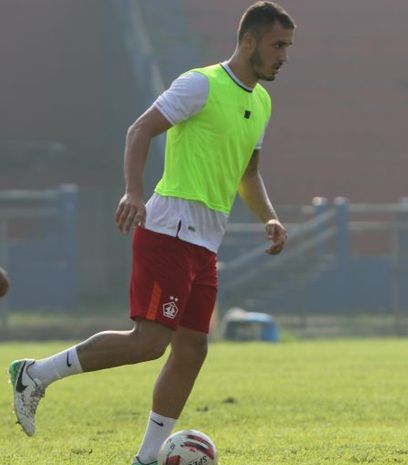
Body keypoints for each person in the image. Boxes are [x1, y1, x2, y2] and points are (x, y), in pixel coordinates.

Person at [8, 2, 295, 464]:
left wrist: (269, 217)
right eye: (278, 45)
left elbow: (249, 172)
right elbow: (140, 130)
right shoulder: (201, 83)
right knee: (148, 342)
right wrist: (133, 193)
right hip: (169, 230)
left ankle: (146, 458)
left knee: (192, 349)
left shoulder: (261, 101)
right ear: (249, 42)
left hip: (204, 240)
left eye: (288, 47)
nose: (284, 55)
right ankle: (35, 374)